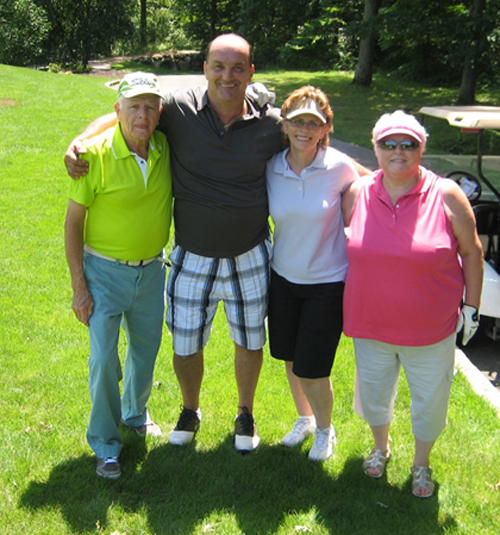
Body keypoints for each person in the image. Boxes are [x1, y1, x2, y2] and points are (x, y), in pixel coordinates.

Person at [64, 33, 370, 453]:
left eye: (237, 68)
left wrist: (376, 181)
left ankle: (245, 413)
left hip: (250, 252)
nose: (228, 76)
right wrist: (77, 143)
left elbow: (320, 146)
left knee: (249, 339)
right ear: (205, 68)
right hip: (191, 253)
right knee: (186, 341)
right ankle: (190, 410)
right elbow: (127, 112)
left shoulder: (269, 125)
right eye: (219, 66)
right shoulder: (180, 111)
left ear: (251, 72)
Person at [341, 110, 483, 497]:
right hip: (370, 323)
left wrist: (472, 307)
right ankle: (380, 447)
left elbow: (472, 252)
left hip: (430, 328)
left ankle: (421, 464)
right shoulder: (358, 192)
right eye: (389, 143)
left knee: (429, 402)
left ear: (422, 148)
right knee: (372, 394)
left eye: (408, 144)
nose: (398, 151)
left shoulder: (447, 194)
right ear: (376, 148)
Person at [64, 72, 173, 479]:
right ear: (117, 110)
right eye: (133, 106)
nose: (141, 115)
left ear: (159, 112)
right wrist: (79, 287)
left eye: (149, 106)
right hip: (104, 272)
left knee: (145, 352)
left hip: (151, 272)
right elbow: (73, 223)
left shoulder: (164, 146)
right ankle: (106, 444)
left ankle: (134, 412)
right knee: (104, 359)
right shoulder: (93, 155)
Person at [266, 86, 359, 461]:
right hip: (283, 279)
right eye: (297, 121)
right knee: (290, 357)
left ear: (325, 130)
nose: (304, 129)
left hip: (328, 283)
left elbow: (376, 187)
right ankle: (304, 418)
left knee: (313, 366)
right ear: (284, 124)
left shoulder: (339, 167)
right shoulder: (272, 166)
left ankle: (325, 430)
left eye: (313, 123)